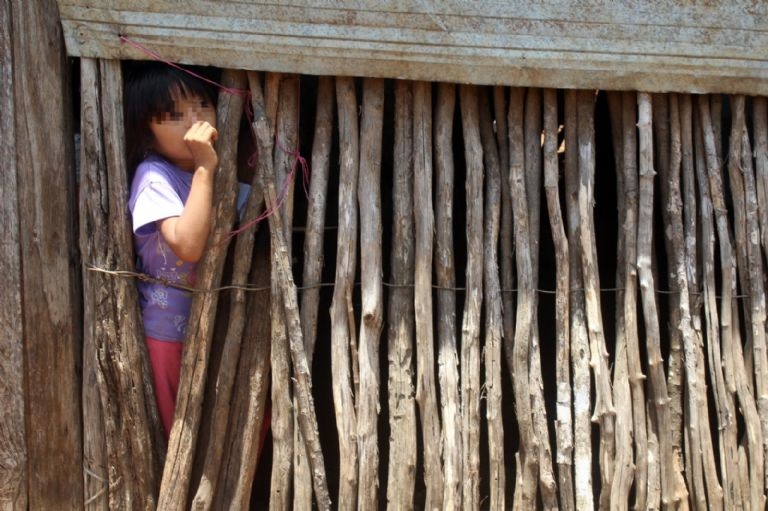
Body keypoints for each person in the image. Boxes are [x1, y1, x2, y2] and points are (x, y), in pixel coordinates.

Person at [125, 61, 227, 438]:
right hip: (167, 333)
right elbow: (187, 245)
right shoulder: (154, 176)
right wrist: (203, 169)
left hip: (216, 324)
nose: (194, 120)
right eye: (173, 115)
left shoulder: (221, 170)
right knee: (178, 431)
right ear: (147, 135)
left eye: (202, 104)